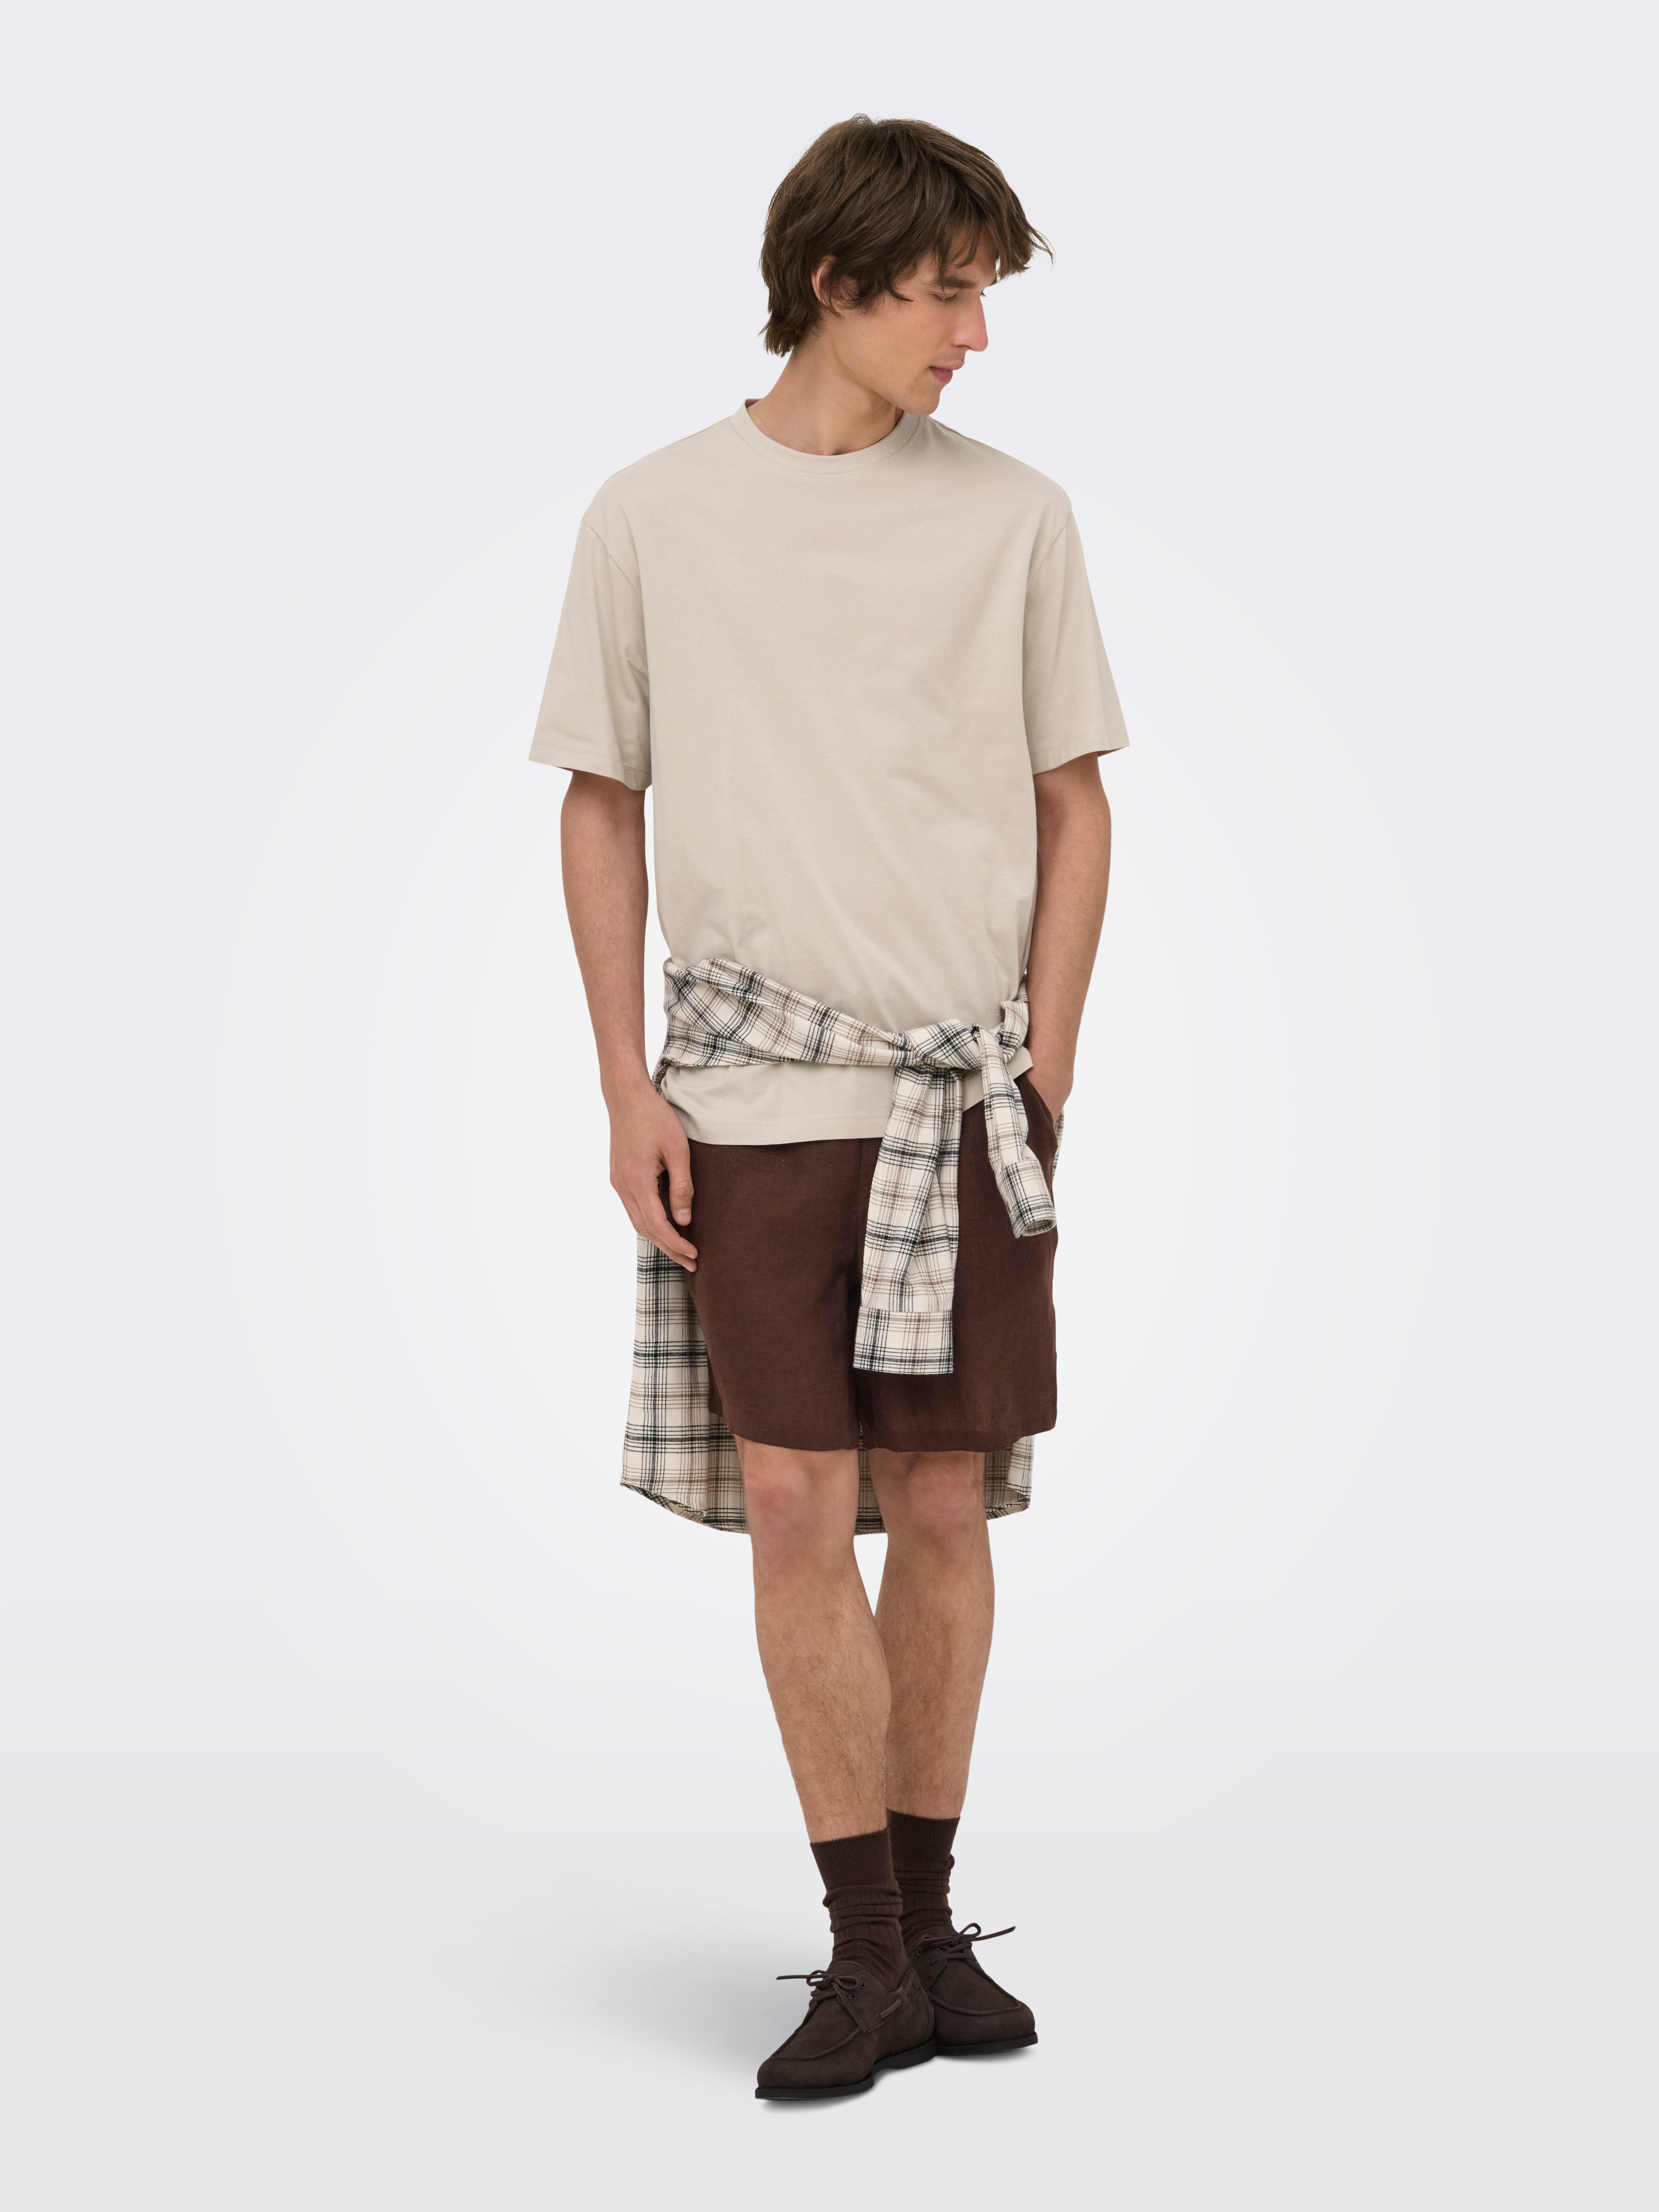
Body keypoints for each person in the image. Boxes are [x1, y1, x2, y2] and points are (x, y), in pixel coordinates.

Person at [534, 113, 1127, 2100]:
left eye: (985, 294)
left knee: (942, 1498)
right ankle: (864, 1956)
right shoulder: (652, 514)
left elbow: (1072, 803)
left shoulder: (1016, 517)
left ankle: (929, 1934)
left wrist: (1046, 1062)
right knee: (793, 1497)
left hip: (958, 1090)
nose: (976, 335)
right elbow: (600, 802)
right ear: (833, 281)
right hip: (748, 1085)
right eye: (948, 292)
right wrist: (624, 1082)